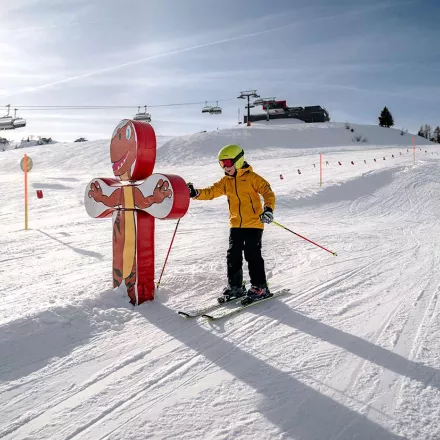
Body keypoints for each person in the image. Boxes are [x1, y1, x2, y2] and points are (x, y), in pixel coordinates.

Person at [187, 144, 275, 301]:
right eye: (222, 164)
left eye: (227, 163)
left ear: (238, 161)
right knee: (233, 255)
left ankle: (260, 287)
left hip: (254, 223)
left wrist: (268, 209)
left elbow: (268, 192)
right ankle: (236, 286)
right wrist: (195, 193)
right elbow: (211, 191)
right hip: (235, 224)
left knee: (252, 254)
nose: (225, 167)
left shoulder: (252, 178)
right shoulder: (226, 181)